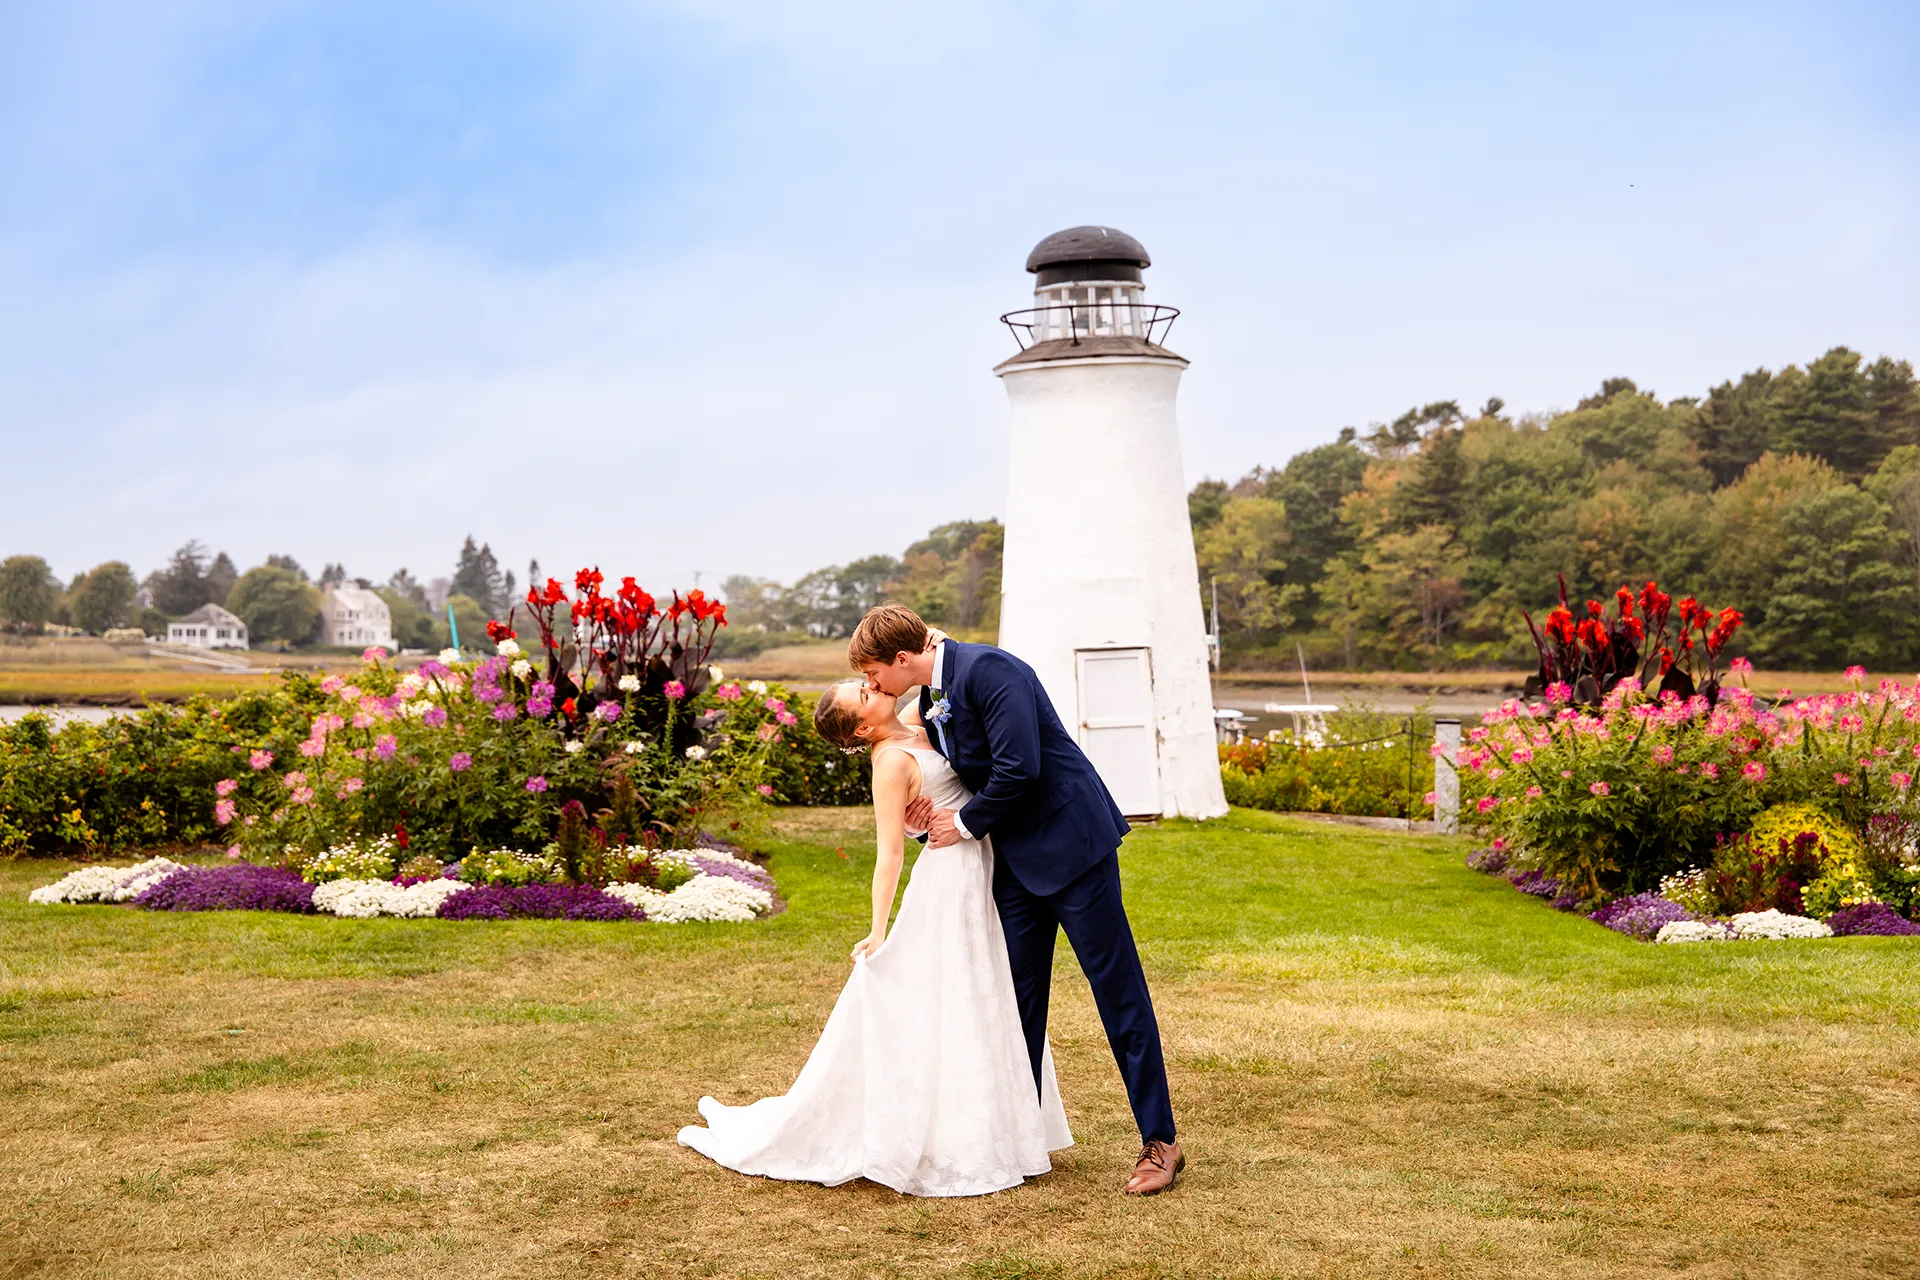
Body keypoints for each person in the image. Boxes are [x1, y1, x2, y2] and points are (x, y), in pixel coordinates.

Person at [675, 671, 1072, 1197]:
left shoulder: (910, 724)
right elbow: (889, 853)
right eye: (863, 694)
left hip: (982, 864)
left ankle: (1004, 1125)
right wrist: (878, 929)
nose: (872, 687)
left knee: (986, 990)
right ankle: (954, 1138)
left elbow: (926, 686)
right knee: (953, 994)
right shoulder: (888, 763)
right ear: (862, 729)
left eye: (865, 682)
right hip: (948, 877)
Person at [852, 605, 1184, 1196]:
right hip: (1011, 864)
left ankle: (1161, 1142)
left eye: (875, 674)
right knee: (1013, 1003)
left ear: (903, 660)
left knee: (1118, 994)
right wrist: (924, 813)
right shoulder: (932, 698)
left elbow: (1020, 768)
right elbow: (953, 770)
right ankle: (1015, 1135)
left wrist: (966, 822)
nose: (873, 686)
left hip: (1073, 848)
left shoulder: (992, 670)